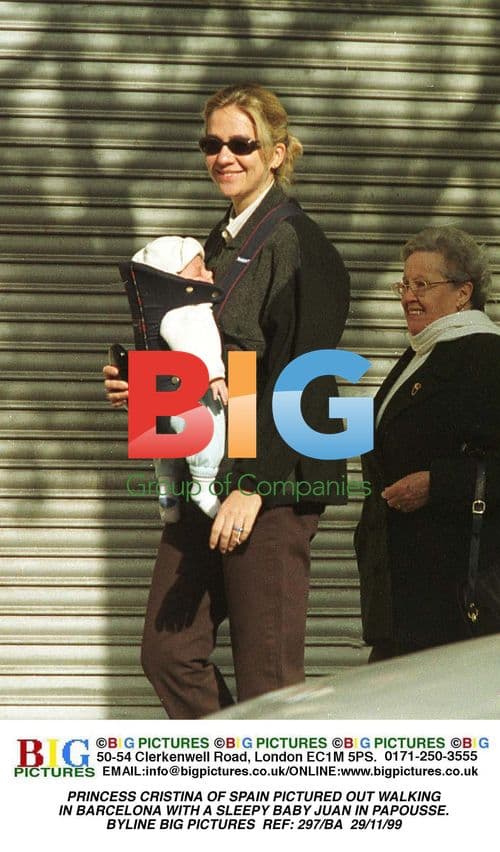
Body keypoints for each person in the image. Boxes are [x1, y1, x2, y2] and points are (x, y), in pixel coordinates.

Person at [104, 83, 350, 718]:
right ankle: (234, 765)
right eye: (211, 143)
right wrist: (146, 387)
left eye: (242, 143)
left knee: (269, 678)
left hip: (266, 481)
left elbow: (304, 375)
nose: (224, 156)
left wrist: (254, 485)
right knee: (168, 653)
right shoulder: (216, 243)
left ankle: (273, 777)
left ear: (276, 152)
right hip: (206, 472)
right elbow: (207, 358)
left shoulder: (297, 244)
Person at [355, 226, 500, 661]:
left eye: (422, 285)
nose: (408, 297)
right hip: (407, 599)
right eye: (404, 285)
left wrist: (440, 484)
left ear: (463, 293)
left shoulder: (486, 358)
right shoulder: (424, 352)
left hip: (456, 599)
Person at [130, 235, 228, 522]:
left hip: (163, 402)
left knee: (166, 452)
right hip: (191, 398)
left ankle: (167, 493)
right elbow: (195, 344)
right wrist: (214, 374)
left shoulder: (159, 315)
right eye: (198, 271)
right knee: (210, 429)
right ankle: (204, 487)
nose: (209, 275)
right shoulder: (186, 313)